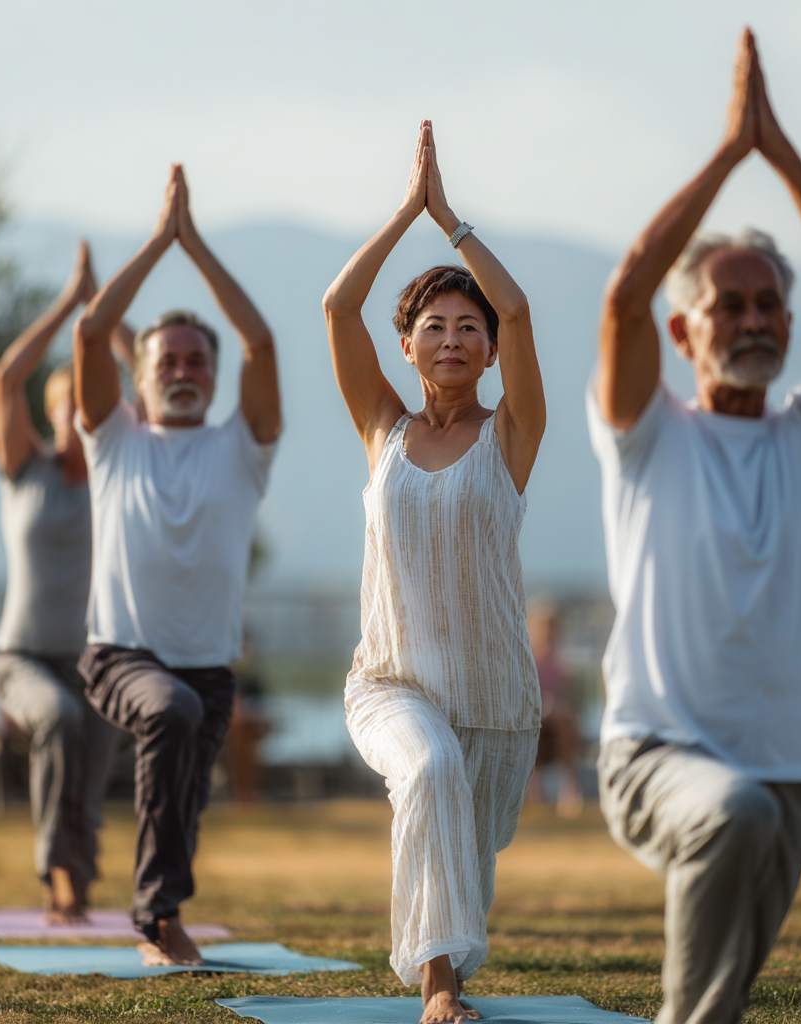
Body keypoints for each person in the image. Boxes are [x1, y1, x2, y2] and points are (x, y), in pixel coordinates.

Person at [589, 30, 801, 1024]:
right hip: (656, 757)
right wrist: (728, 152)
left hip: (782, 772)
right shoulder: (645, 438)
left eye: (769, 306)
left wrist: (781, 151)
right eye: (729, 305)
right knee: (728, 833)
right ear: (686, 333)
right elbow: (626, 291)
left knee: (727, 980)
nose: (754, 320)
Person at [323, 121, 546, 1024]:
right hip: (392, 681)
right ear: (407, 346)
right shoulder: (383, 431)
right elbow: (339, 311)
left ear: (490, 351)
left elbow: (522, 309)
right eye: (432, 326)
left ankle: (451, 959)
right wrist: (404, 212)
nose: (451, 338)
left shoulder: (512, 437)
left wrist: (451, 221)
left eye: (468, 329)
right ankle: (438, 988)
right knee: (428, 773)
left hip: (494, 693)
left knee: (466, 841)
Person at [73, 163, 281, 966]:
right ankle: (156, 917)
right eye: (169, 360)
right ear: (142, 373)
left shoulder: (243, 448)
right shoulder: (113, 440)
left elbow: (261, 339)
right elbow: (92, 334)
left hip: (211, 669)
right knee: (169, 712)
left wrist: (197, 245)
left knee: (185, 803)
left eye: (198, 360)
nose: (185, 371)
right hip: (121, 656)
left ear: (216, 375)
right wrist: (160, 241)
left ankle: (163, 917)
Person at [0, 242, 133, 923]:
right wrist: (69, 305)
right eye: (68, 402)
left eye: (89, 402)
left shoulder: (112, 475)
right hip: (20, 656)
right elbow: (4, 378)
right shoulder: (26, 471)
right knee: (60, 719)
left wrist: (103, 315)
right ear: (51, 412)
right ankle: (57, 873)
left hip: (92, 656)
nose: (79, 413)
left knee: (90, 763)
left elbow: (152, 378)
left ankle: (75, 871)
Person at [526, 600, 582, 817]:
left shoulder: (562, 664)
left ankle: (568, 788)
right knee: (538, 725)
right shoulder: (529, 661)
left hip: (558, 723)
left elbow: (570, 698)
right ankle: (538, 791)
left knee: (564, 721)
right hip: (537, 722)